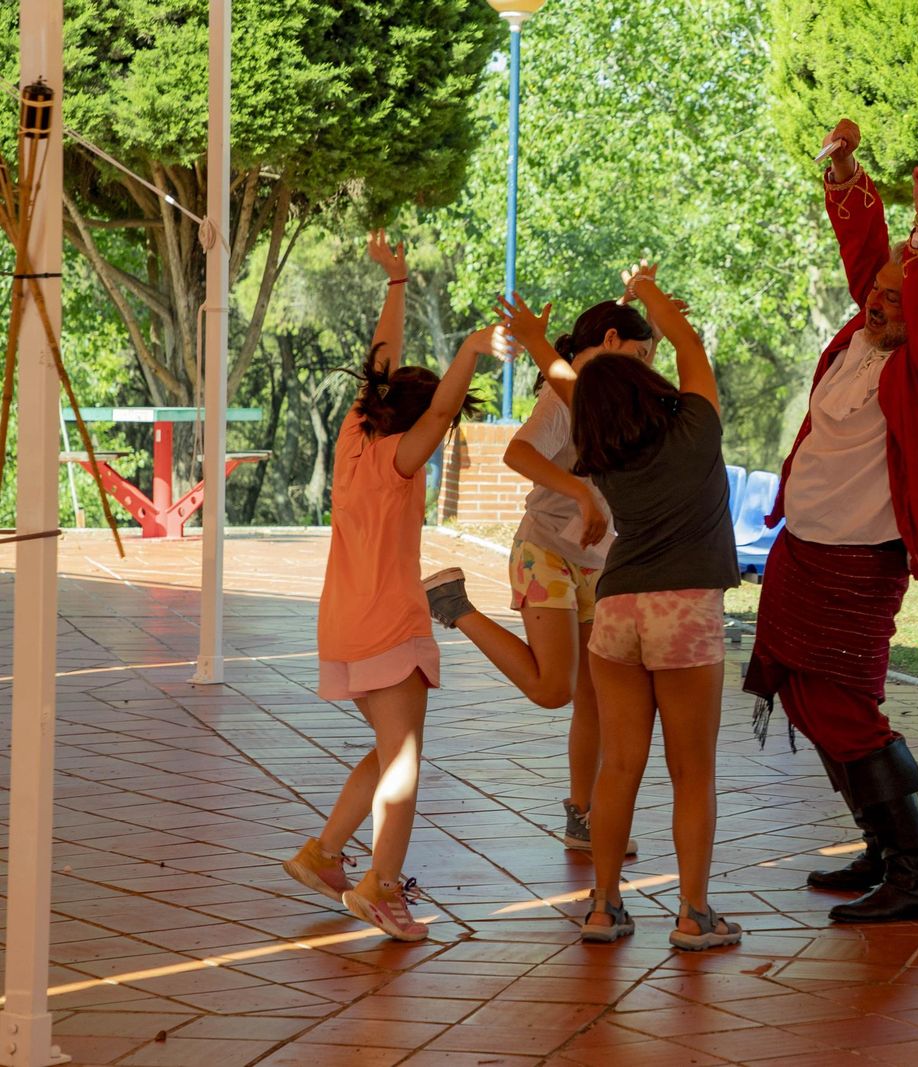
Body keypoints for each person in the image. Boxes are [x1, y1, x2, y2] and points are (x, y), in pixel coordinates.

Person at [743, 119, 918, 924]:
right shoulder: (858, 334)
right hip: (802, 552)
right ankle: (881, 847)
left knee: (845, 709)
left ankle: (917, 872)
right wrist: (846, 171)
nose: (879, 301)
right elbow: (864, 253)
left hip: (859, 562)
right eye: (873, 293)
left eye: (896, 294)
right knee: (806, 700)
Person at [498, 263, 743, 950]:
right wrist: (646, 290)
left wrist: (540, 343)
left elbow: (574, 385)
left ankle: (603, 907)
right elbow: (686, 343)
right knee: (692, 770)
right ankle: (693, 915)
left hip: (617, 610)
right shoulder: (696, 424)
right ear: (653, 380)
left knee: (618, 765)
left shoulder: (604, 447)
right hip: (684, 609)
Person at [281, 230, 509, 942]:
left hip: (344, 624)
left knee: (387, 750)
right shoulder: (401, 461)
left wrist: (397, 282)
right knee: (404, 762)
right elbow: (440, 414)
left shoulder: (355, 435)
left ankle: (322, 854)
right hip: (390, 628)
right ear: (415, 421)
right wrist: (470, 349)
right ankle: (379, 886)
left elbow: (377, 365)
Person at [422, 299, 658, 857]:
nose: (648, 367)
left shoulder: (613, 394)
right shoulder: (564, 393)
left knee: (595, 699)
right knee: (555, 689)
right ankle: (455, 606)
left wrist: (647, 303)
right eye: (643, 353)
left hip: (598, 563)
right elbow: (518, 452)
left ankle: (583, 814)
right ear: (610, 340)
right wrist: (577, 489)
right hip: (544, 553)